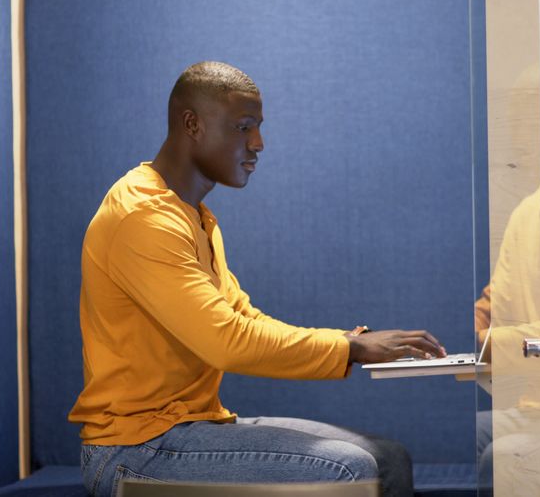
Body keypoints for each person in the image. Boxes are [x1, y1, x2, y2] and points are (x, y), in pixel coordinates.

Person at [69, 61, 446, 497]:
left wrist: (348, 341)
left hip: (191, 426)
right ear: (192, 124)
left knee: (389, 459)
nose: (258, 143)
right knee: (349, 469)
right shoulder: (144, 218)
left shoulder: (193, 215)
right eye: (243, 127)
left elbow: (243, 317)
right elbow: (225, 341)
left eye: (258, 128)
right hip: (134, 450)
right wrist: (351, 349)